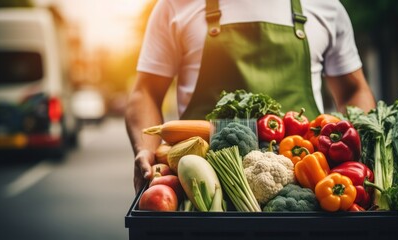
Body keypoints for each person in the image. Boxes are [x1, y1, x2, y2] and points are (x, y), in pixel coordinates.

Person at [125, 0, 376, 193]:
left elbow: (354, 90)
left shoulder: (326, 6)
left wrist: (363, 151)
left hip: (309, 187)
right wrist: (145, 150)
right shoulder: (175, 5)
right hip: (201, 190)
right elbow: (146, 91)